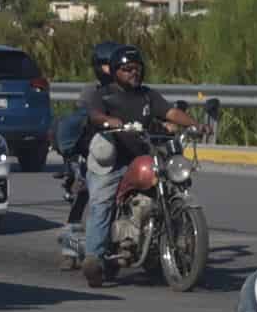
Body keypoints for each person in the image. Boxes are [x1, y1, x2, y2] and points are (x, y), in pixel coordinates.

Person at [61, 44, 195, 283]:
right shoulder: (103, 94)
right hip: (110, 162)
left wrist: (193, 124)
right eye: (127, 69)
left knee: (168, 180)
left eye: (137, 68)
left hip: (141, 156)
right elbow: (95, 115)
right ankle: (94, 257)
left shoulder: (147, 95)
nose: (134, 73)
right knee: (102, 201)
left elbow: (170, 113)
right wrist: (109, 121)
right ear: (115, 71)